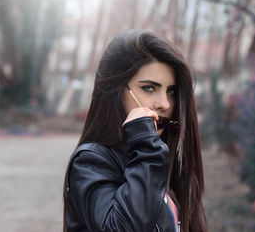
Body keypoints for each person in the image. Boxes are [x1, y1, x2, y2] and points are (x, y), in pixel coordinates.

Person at [63, 29, 207, 232]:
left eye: (171, 91)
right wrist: (147, 148)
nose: (164, 103)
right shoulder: (91, 162)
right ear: (116, 91)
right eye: (149, 88)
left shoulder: (160, 158)